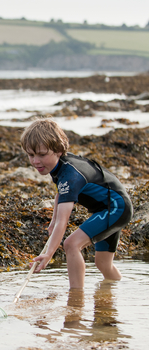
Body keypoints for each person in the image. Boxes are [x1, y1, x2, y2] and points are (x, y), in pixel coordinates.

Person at [20, 117, 132, 289]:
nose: (35, 161)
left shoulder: (71, 175)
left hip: (116, 208)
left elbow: (63, 222)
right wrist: (52, 221)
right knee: (103, 264)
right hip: (108, 209)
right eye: (31, 155)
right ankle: (118, 292)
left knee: (71, 244)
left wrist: (49, 253)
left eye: (42, 155)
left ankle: (76, 299)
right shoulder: (59, 167)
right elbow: (61, 194)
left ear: (58, 150)